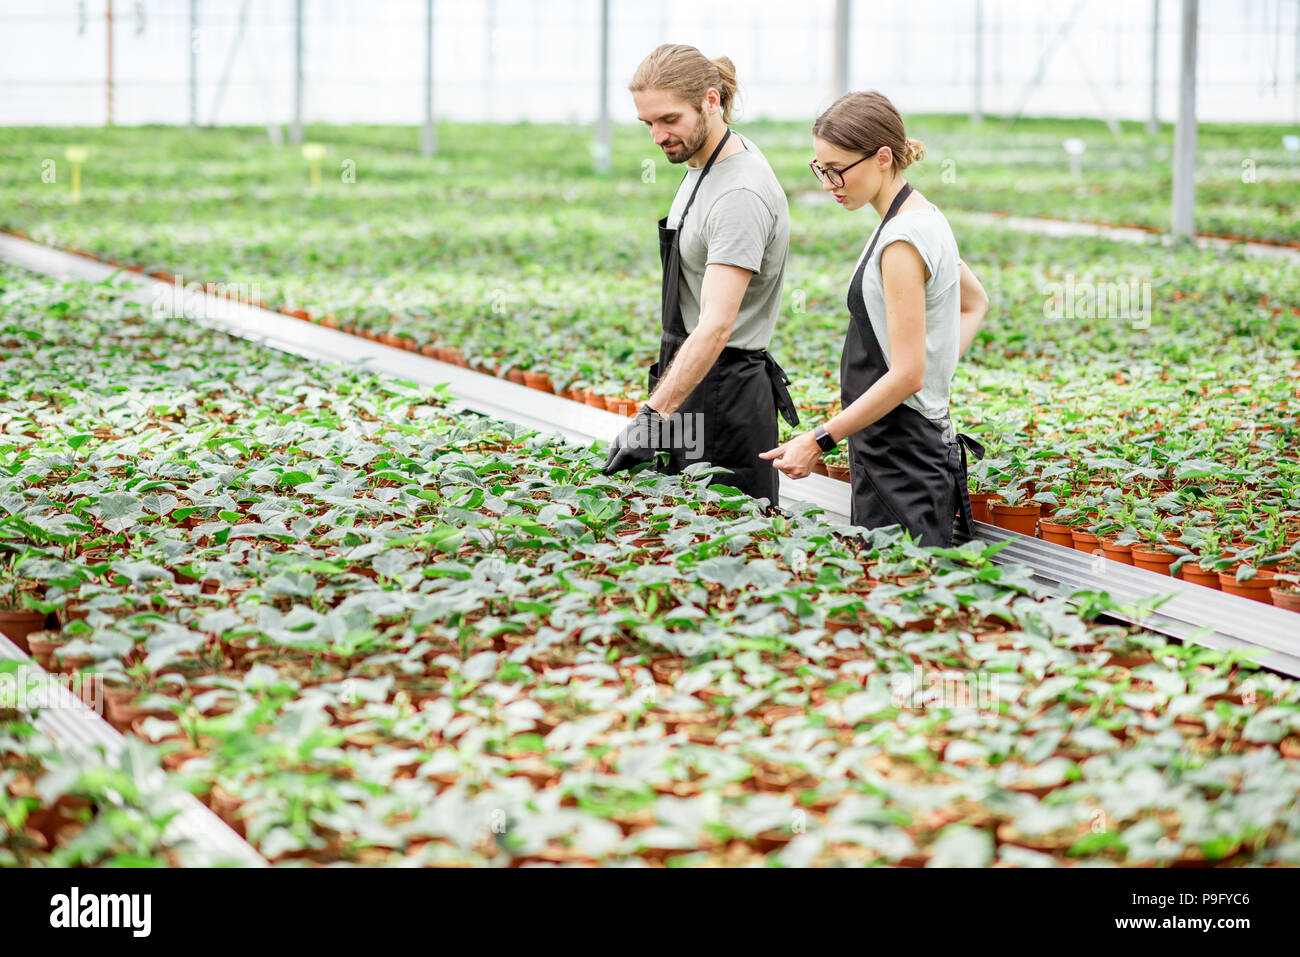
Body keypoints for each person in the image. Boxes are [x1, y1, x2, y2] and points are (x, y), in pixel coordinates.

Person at [761, 91, 990, 547]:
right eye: (820, 169)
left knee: (902, 592)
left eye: (837, 169)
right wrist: (931, 373)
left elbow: (905, 375)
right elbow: (975, 303)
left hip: (900, 455)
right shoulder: (924, 216)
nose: (829, 183)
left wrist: (819, 439)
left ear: (883, 157)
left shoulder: (901, 240)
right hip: (906, 442)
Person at [603, 43, 798, 508]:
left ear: (712, 101)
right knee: (684, 525)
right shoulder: (700, 164)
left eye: (669, 120)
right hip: (694, 385)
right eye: (647, 123)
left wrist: (652, 415)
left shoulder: (739, 192)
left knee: (728, 537)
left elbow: (716, 324)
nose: (657, 136)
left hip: (725, 400)